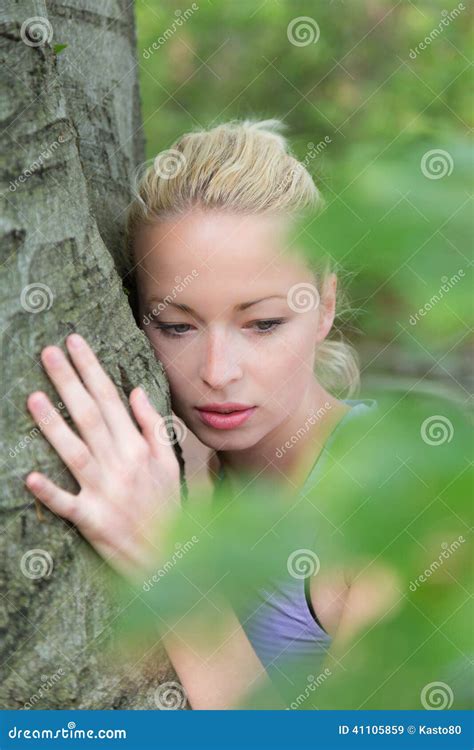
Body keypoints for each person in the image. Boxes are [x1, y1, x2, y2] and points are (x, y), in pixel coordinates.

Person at [24, 119, 400, 709]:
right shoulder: (174, 467)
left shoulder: (396, 496)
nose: (218, 371)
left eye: (264, 323)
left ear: (324, 305)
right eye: (176, 326)